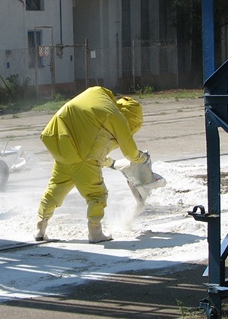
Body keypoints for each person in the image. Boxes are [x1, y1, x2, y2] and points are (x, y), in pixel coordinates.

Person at [34, 86, 148, 243]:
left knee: (54, 190)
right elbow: (129, 152)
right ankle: (95, 233)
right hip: (82, 156)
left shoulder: (97, 98)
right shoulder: (116, 117)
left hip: (60, 145)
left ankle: (40, 228)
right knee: (97, 194)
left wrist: (109, 162)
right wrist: (141, 158)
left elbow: (93, 141)